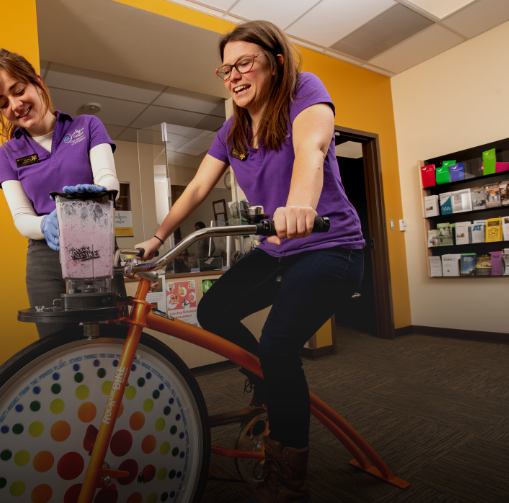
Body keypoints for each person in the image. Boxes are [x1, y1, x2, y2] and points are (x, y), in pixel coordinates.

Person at [135, 21, 364, 503]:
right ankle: (263, 377)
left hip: (329, 246)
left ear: (275, 63)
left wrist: (301, 202)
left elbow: (312, 147)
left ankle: (288, 479)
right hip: (277, 247)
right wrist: (157, 237)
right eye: (226, 68)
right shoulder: (232, 128)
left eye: (245, 63)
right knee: (213, 311)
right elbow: (197, 188)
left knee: (280, 346)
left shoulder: (304, 89)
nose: (234, 76)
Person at [0, 48, 120, 338]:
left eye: (19, 91)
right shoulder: (8, 153)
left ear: (38, 83)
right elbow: (21, 217)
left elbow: (108, 178)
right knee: (58, 351)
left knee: (113, 344)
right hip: (45, 257)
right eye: (3, 102)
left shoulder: (87, 125)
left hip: (96, 245)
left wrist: (98, 195)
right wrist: (46, 224)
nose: (15, 105)